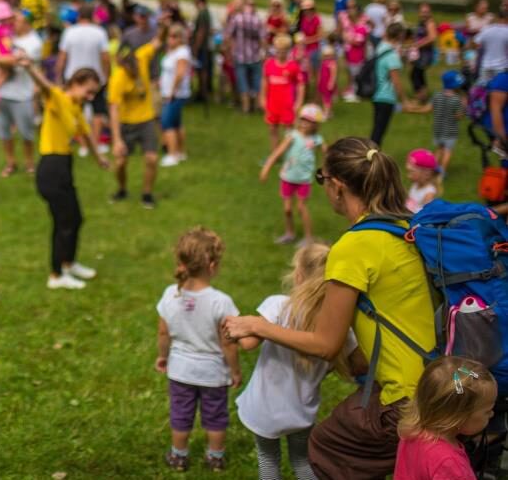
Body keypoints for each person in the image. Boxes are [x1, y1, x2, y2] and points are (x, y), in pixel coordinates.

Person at [225, 138, 434, 479]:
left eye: (321, 179)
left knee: (323, 448)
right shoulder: (406, 229)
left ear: (338, 187)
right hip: (440, 377)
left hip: (404, 396)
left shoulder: (353, 247)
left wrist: (257, 326)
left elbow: (326, 345)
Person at [235, 243, 364, 480]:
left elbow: (248, 344)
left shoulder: (278, 305)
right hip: (301, 412)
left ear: (297, 275)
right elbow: (358, 364)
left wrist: (232, 326)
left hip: (265, 410)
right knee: (301, 461)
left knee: (268, 461)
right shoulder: (339, 326)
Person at [155, 227, 240, 473]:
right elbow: (228, 343)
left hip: (180, 370)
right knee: (215, 416)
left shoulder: (170, 295)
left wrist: (163, 356)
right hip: (213, 373)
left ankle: (178, 456)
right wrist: (234, 371)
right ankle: (215, 457)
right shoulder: (221, 302)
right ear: (212, 266)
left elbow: (163, 332)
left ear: (181, 262)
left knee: (181, 414)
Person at [21, 60, 108, 290]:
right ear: (76, 83)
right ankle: (56, 275)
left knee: (76, 218)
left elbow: (86, 136)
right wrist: (30, 68)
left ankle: (68, 263)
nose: (91, 96)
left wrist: (99, 159)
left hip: (64, 167)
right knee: (63, 222)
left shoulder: (76, 107)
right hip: (51, 168)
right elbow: (45, 86)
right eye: (88, 91)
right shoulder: (58, 97)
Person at [394, 357, 496, 480]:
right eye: (487, 411)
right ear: (458, 417)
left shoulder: (412, 433)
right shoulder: (451, 464)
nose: (492, 414)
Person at [0, 11, 43, 177]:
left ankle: (29, 163)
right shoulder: (9, 35)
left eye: (17, 20)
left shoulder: (34, 42)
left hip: (23, 95)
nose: (13, 23)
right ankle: (10, 163)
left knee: (26, 133)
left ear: (27, 22)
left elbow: (13, 61)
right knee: (4, 132)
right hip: (3, 93)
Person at [261, 105, 326, 245]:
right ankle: (289, 233)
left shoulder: (317, 139)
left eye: (308, 121)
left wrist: (327, 169)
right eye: (302, 120)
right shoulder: (292, 136)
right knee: (287, 209)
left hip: (304, 179)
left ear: (315, 124)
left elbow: (326, 154)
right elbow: (277, 153)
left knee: (301, 207)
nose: (304, 123)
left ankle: (309, 237)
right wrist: (266, 168)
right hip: (288, 177)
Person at [109, 35, 161, 208]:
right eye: (128, 64)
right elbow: (114, 109)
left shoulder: (142, 56)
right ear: (121, 63)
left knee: (151, 159)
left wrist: (165, 26)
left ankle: (147, 194)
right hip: (126, 124)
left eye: (133, 62)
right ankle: (122, 189)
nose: (133, 67)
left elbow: (157, 41)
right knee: (121, 162)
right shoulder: (118, 78)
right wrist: (116, 139)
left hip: (146, 120)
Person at [56, 4, 110, 155]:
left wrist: (58, 76)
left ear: (79, 16)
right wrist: (107, 76)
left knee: (74, 111)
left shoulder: (69, 32)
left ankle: (83, 145)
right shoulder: (100, 32)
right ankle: (95, 143)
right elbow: (106, 58)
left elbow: (62, 57)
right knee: (98, 112)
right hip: (95, 78)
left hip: (74, 78)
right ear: (93, 16)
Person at [260, 35, 304, 151]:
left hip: (287, 104)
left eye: (283, 51)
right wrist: (263, 97)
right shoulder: (269, 64)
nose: (280, 53)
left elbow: (301, 84)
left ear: (288, 51)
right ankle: (274, 153)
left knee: (289, 130)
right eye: (278, 51)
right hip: (272, 102)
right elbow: (264, 81)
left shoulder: (293, 66)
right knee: (272, 129)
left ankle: (289, 155)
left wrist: (299, 101)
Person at [159, 25, 193, 168]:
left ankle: (172, 154)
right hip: (170, 92)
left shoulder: (182, 53)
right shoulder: (173, 51)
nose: (170, 39)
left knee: (167, 124)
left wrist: (172, 92)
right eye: (169, 36)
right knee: (177, 123)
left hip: (174, 94)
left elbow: (180, 73)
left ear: (180, 38)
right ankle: (180, 151)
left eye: (174, 36)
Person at [225, 0, 266, 113]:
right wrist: (264, 53)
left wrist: (228, 51)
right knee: (256, 82)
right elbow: (263, 40)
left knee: (243, 83)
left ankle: (246, 108)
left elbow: (228, 36)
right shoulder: (258, 20)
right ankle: (257, 106)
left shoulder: (236, 19)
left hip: (240, 56)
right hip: (255, 56)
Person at [371, 22, 407, 146]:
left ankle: (370, 155)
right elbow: (396, 81)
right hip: (386, 96)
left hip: (377, 93)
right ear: (400, 36)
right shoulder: (392, 55)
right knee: (378, 133)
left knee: (377, 130)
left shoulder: (381, 47)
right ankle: (371, 158)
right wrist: (404, 100)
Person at [409, 3, 438, 102]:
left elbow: (432, 37)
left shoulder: (430, 23)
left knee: (415, 74)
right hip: (420, 53)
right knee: (419, 75)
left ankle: (420, 97)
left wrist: (417, 45)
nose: (424, 14)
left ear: (430, 13)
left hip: (425, 54)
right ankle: (423, 96)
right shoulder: (422, 23)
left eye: (426, 12)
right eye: (422, 12)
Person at [342, 4, 370, 103]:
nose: (349, 13)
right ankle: (351, 91)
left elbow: (358, 42)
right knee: (351, 74)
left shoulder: (362, 27)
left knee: (356, 75)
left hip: (357, 56)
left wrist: (347, 38)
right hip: (350, 55)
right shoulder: (351, 26)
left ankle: (355, 94)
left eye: (352, 10)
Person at [475, 8, 508, 83]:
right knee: (498, 89)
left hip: (486, 64)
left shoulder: (486, 29)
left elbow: (476, 43)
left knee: (483, 89)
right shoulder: (506, 30)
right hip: (501, 67)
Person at [191, 0, 213, 103]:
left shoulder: (203, 12)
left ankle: (203, 93)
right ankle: (202, 92)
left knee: (202, 70)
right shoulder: (205, 11)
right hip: (203, 46)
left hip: (202, 47)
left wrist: (196, 47)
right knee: (201, 70)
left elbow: (201, 31)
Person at [405, 148, 440, 214]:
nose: (408, 176)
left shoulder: (428, 193)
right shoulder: (416, 184)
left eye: (411, 172)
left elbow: (426, 214)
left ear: (426, 174)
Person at [317, 45, 338, 119]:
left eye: (329, 55)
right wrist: (319, 80)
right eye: (325, 55)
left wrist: (331, 83)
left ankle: (326, 114)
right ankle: (329, 112)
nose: (327, 57)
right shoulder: (323, 62)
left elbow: (334, 74)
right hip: (323, 83)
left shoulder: (332, 63)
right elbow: (320, 72)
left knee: (327, 100)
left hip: (328, 83)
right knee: (324, 98)